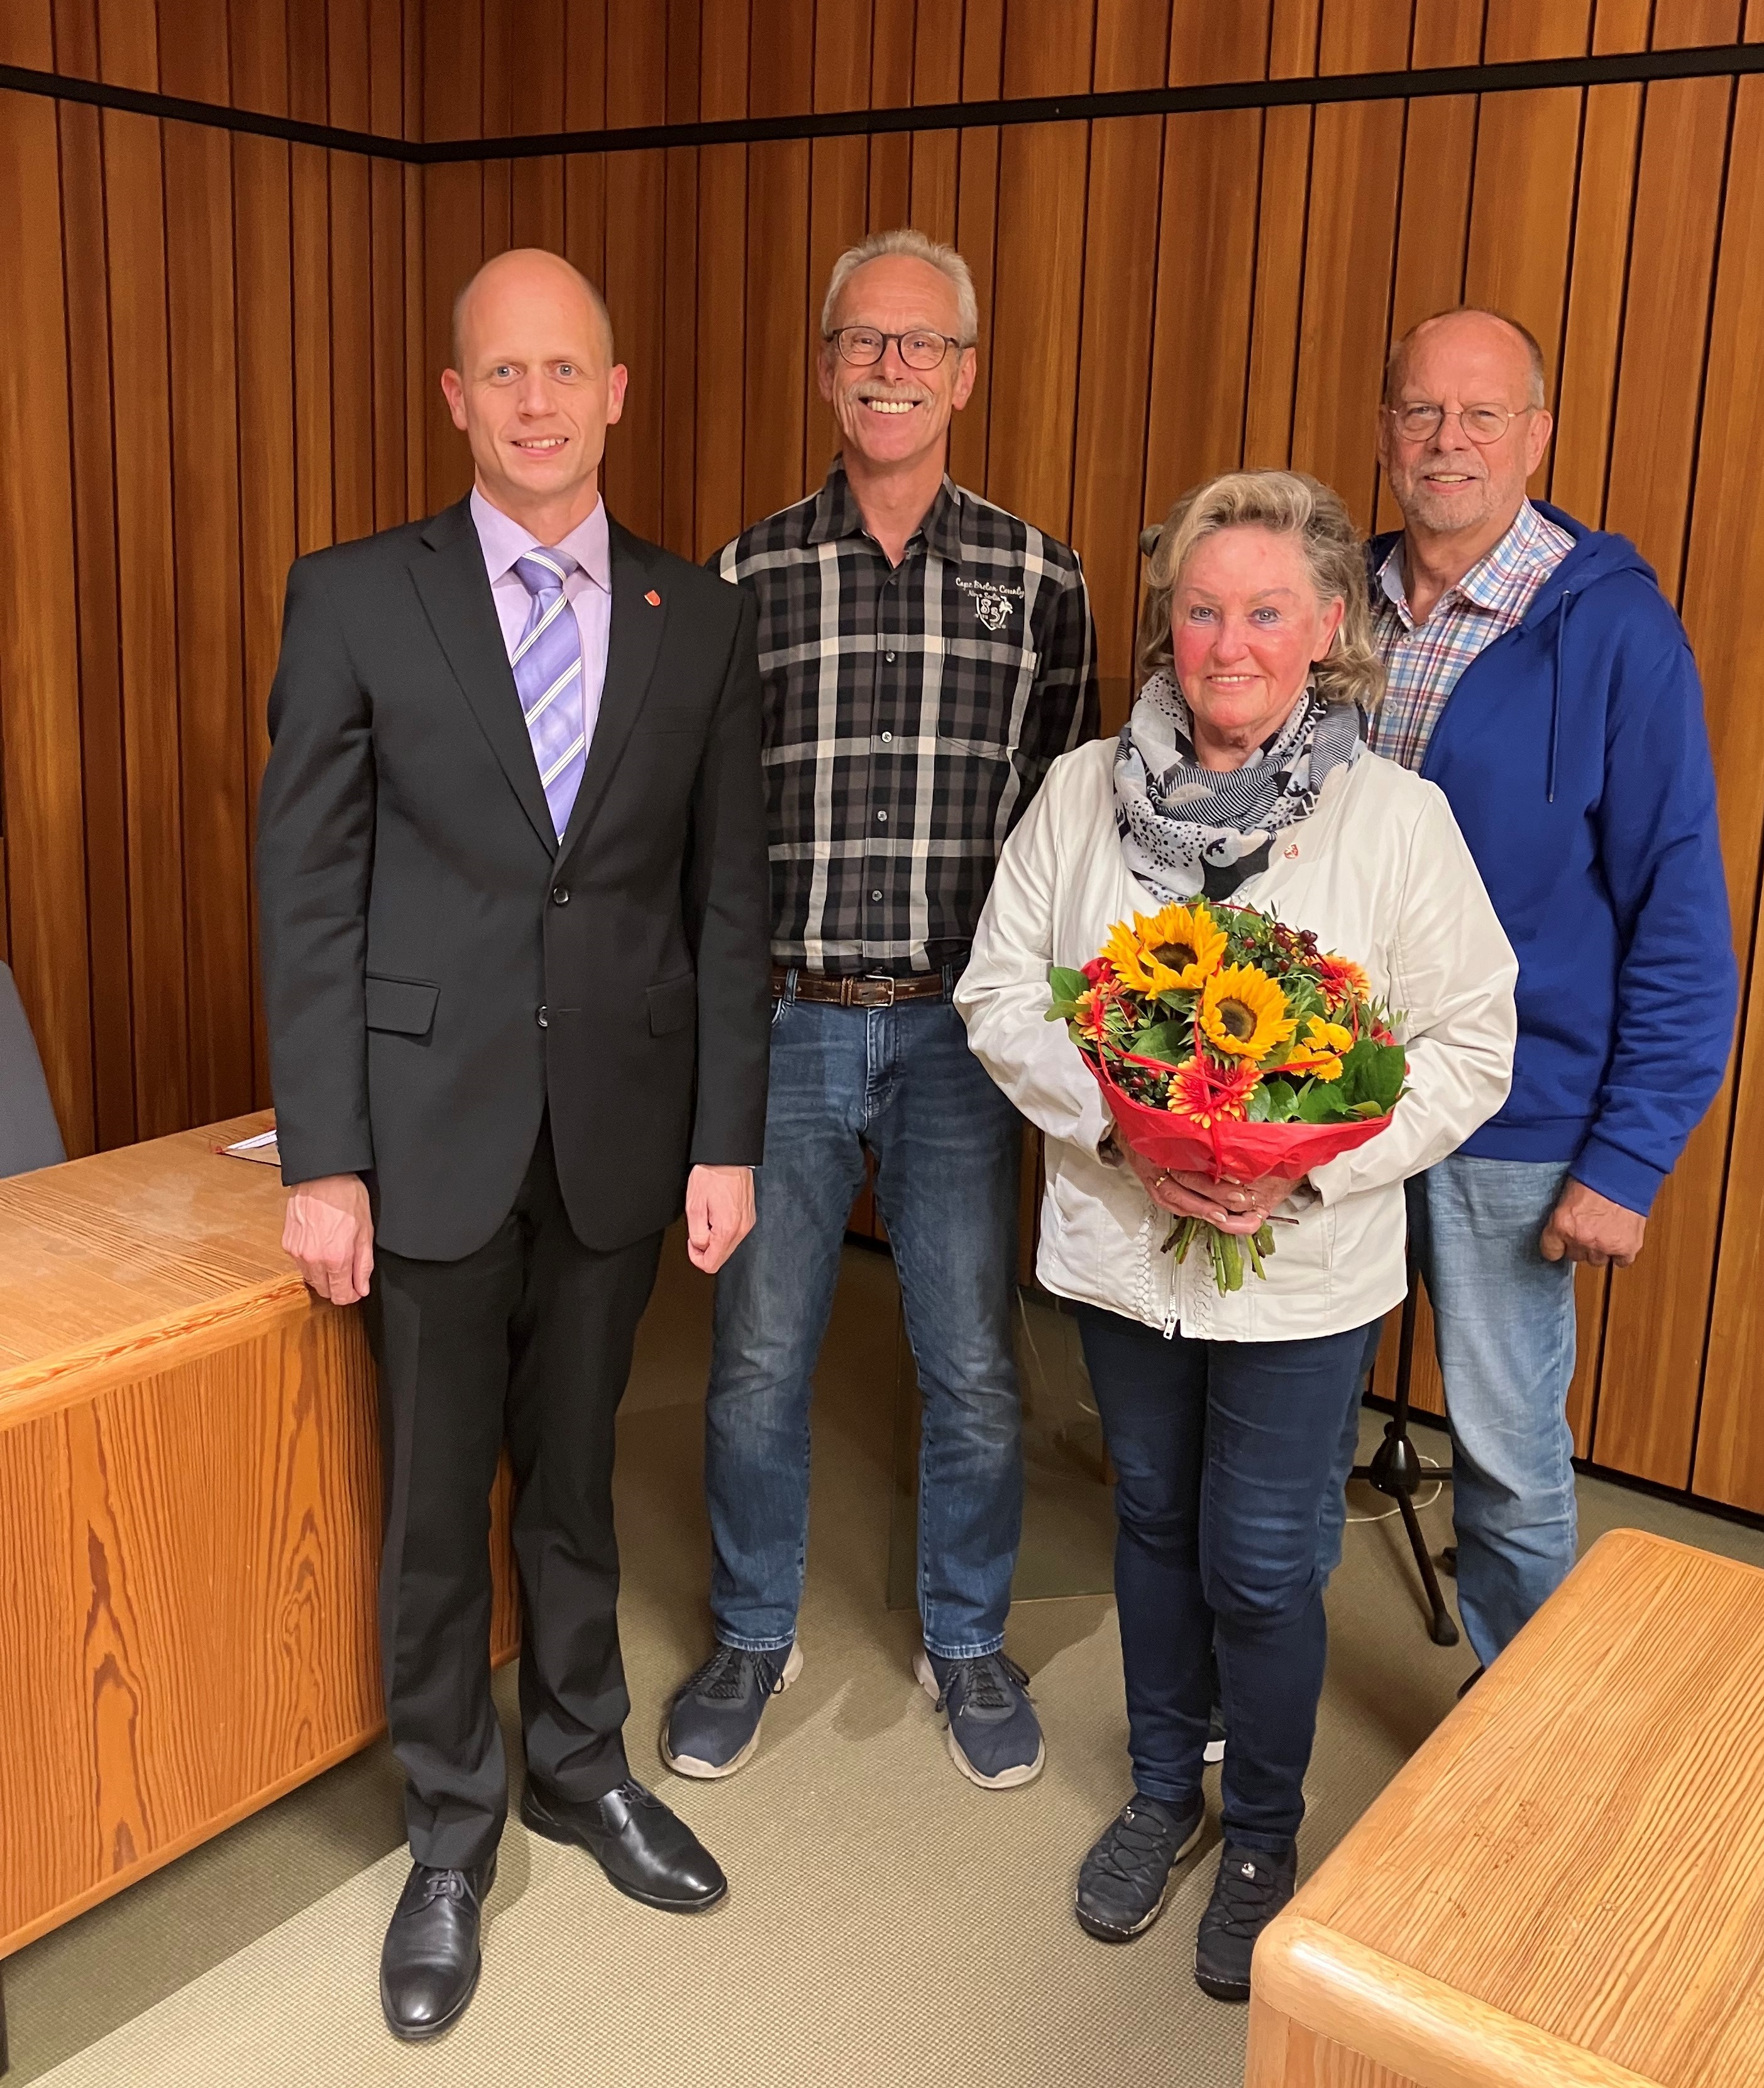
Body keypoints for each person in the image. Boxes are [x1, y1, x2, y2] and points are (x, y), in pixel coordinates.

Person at [256, 248, 771, 2042]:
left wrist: (726, 1137)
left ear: (614, 393)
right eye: (503, 372)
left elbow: (726, 899)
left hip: (622, 1129)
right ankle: (450, 1831)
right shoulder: (353, 598)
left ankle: (579, 1761)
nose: (536, 402)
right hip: (424, 1132)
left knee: (574, 1476)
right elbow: (308, 894)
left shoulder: (699, 617)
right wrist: (324, 1156)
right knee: (432, 1503)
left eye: (566, 370)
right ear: (455, 398)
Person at [956, 470, 1517, 1999]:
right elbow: (999, 990)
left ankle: (1263, 1830)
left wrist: (1310, 1170)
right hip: (1122, 1250)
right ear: (1171, 624)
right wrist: (1123, 1126)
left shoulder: (1397, 821)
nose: (1230, 642)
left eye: (1266, 611)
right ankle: (1163, 1790)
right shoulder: (1081, 792)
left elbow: (1471, 1044)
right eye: (1203, 610)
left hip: (1304, 1270)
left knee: (1264, 1563)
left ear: (1327, 626)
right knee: (1149, 1519)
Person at [661, 228, 1097, 1794]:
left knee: (970, 1359)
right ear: (826, 368)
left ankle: (966, 1636)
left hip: (958, 1035)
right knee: (758, 1355)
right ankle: (751, 1628)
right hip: (784, 1024)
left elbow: (1067, 830)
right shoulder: (744, 576)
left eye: (922, 344)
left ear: (965, 374)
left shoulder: (1043, 581)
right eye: (864, 340)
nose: (892, 366)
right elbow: (706, 833)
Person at [1359, 307, 1736, 1673]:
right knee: (1280, 1417)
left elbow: (1680, 915)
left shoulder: (1615, 630)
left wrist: (1627, 1158)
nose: (1447, 441)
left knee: (1510, 1454)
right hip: (1325, 1095)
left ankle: (1525, 1738)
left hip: (1515, 1118)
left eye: (1482, 414)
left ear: (1537, 434)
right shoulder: (1336, 602)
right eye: (1421, 410)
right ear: (1386, 429)